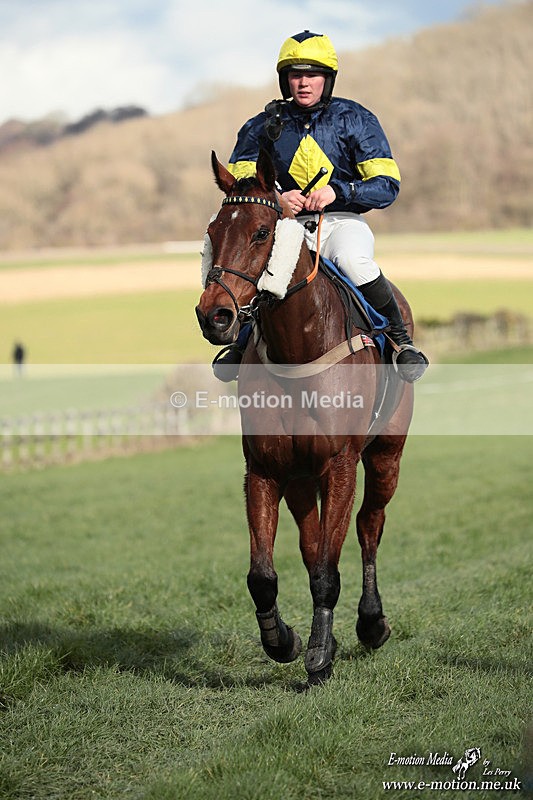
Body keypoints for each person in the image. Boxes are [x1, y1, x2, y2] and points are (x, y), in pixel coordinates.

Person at [213, 30, 428, 383]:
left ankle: (400, 340)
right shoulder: (259, 126)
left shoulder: (356, 119)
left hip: (342, 221)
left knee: (353, 261)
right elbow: (239, 184)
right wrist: (277, 199)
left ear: (327, 79)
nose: (303, 83)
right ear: (285, 80)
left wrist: (337, 191)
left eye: (312, 74)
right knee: (259, 271)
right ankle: (240, 343)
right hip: (285, 225)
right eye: (295, 75)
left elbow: (387, 185)